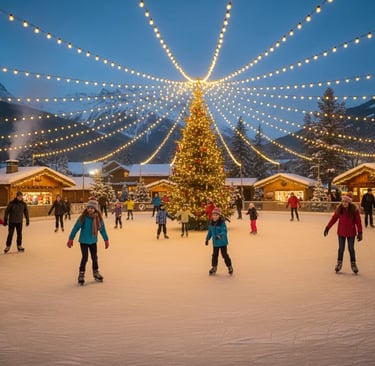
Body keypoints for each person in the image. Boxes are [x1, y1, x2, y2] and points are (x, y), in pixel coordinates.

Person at [67, 198, 109, 285]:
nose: (89, 209)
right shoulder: (83, 218)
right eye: (88, 208)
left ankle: (96, 273)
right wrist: (71, 238)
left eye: (92, 208)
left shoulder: (98, 218)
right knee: (85, 257)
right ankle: (81, 274)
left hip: (93, 241)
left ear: (95, 209)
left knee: (94, 257)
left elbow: (102, 230)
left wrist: (106, 239)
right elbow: (76, 228)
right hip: (83, 241)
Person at [324, 195, 363, 274]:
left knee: (351, 248)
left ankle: (353, 264)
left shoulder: (354, 210)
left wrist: (360, 232)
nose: (344, 203)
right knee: (341, 248)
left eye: (346, 202)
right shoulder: (339, 209)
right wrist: (328, 227)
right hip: (341, 232)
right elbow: (334, 218)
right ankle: (339, 263)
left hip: (351, 233)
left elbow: (358, 222)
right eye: (343, 201)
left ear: (349, 202)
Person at [205, 207, 233, 275]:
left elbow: (224, 231)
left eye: (216, 215)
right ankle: (214, 267)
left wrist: (220, 235)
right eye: (214, 215)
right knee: (214, 255)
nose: (215, 216)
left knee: (224, 255)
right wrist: (207, 239)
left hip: (222, 242)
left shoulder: (222, 223)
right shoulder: (211, 223)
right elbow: (210, 232)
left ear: (219, 216)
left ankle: (229, 266)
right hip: (215, 243)